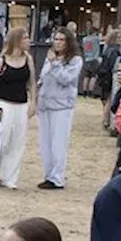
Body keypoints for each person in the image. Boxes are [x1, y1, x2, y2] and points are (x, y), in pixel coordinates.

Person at [0, 28, 37, 189]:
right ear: (17, 40)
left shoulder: (28, 59)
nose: (28, 41)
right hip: (4, 104)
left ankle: (9, 177)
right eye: (26, 38)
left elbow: (32, 82)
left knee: (17, 142)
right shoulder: (1, 61)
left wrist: (33, 101)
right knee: (1, 142)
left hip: (21, 105)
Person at [35, 28, 83, 190]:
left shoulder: (75, 60)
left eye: (62, 40)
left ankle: (57, 177)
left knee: (58, 143)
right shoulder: (49, 58)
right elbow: (42, 78)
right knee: (45, 143)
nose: (58, 43)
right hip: (45, 105)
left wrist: (55, 64)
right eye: (56, 39)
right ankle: (49, 174)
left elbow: (66, 79)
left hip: (62, 106)